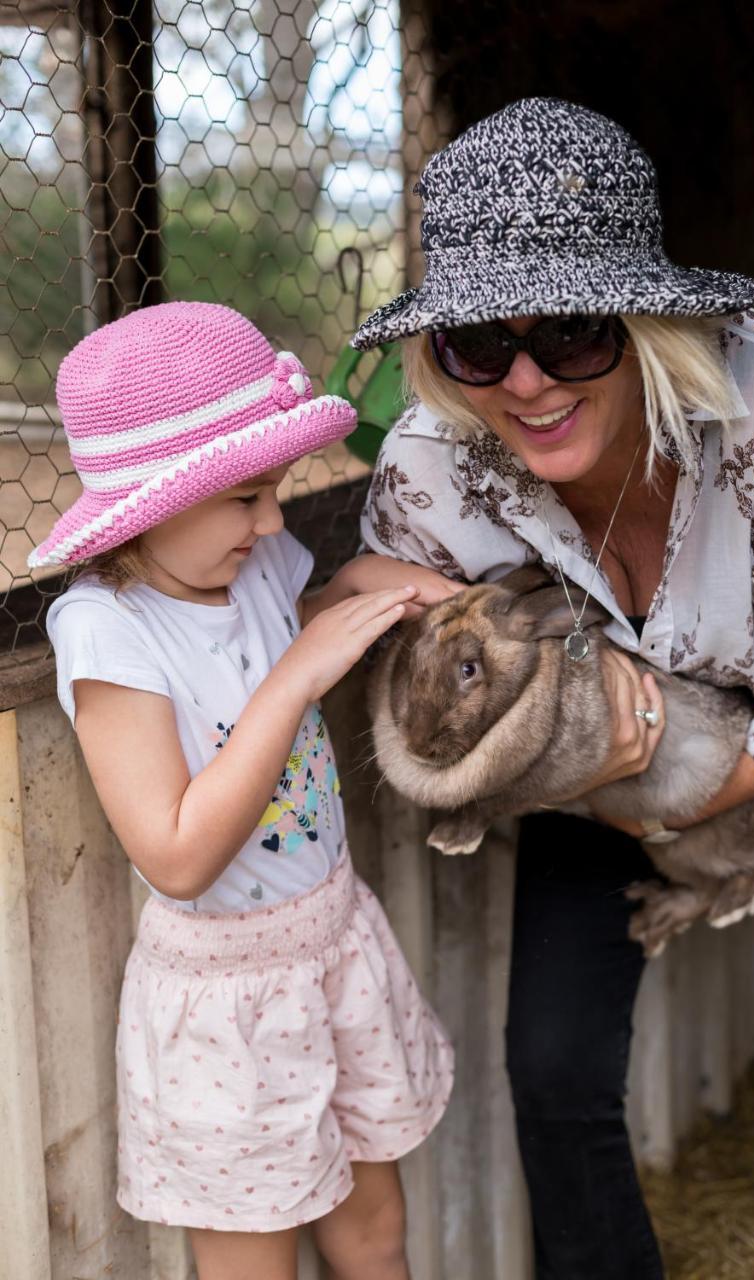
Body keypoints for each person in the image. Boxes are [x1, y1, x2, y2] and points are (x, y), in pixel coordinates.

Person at [352, 98, 754, 1279]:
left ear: (646, 326)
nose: (525, 381)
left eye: (572, 333)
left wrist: (660, 779)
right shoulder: (440, 446)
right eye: (481, 343)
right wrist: (603, 761)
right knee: (555, 1068)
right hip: (600, 770)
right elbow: (389, 594)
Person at [32, 301, 457, 1280]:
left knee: (374, 1227)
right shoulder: (109, 631)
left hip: (332, 945)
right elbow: (177, 853)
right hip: (226, 1004)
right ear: (153, 500)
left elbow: (282, 631)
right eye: (247, 497)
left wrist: (361, 586)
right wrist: (302, 670)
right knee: (251, 1264)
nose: (272, 521)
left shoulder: (250, 563)